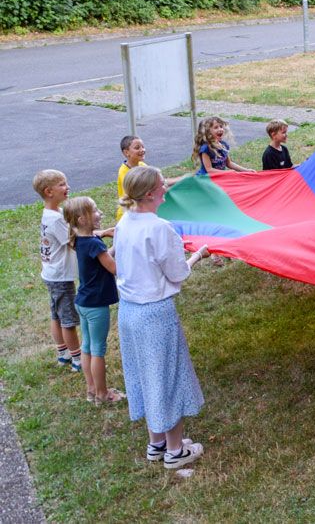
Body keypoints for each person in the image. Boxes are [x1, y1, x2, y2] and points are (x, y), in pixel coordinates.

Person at [115, 166, 210, 469]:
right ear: (150, 193)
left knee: (145, 373)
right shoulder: (160, 227)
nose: (166, 187)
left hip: (129, 310)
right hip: (155, 312)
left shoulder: (124, 223)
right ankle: (175, 451)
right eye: (161, 184)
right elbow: (177, 272)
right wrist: (197, 256)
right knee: (167, 375)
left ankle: (156, 442)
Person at [63, 197, 125, 404]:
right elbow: (114, 268)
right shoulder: (94, 243)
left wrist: (115, 245)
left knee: (88, 346)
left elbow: (103, 257)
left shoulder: (80, 240)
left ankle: (92, 389)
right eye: (96, 211)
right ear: (82, 219)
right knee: (98, 350)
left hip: (83, 302)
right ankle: (102, 393)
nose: (100, 214)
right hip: (97, 305)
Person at [32, 169, 82, 373]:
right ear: (49, 191)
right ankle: (77, 358)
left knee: (57, 315)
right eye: (62, 184)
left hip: (50, 274)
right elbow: (75, 241)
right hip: (61, 277)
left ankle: (63, 353)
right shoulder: (56, 219)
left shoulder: (52, 214)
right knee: (68, 320)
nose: (67, 187)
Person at [116, 136, 187, 220]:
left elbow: (158, 182)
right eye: (137, 148)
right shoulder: (125, 173)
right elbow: (143, 193)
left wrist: (181, 179)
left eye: (143, 147)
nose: (142, 150)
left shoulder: (142, 165)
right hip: (130, 214)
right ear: (126, 152)